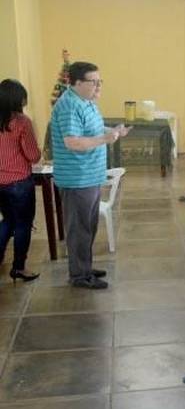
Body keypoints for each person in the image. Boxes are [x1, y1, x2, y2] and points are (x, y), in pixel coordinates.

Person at [50, 61, 131, 289]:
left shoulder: (87, 102)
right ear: (75, 83)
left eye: (99, 81)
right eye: (93, 82)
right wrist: (105, 139)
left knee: (89, 226)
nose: (98, 86)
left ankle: (84, 266)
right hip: (77, 178)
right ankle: (79, 275)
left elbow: (93, 130)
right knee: (79, 229)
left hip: (90, 176)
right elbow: (73, 142)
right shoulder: (69, 106)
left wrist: (112, 131)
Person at [0, 79, 41, 283]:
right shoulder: (21, 122)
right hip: (19, 183)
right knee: (23, 225)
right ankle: (18, 268)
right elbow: (33, 155)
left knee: (7, 220)